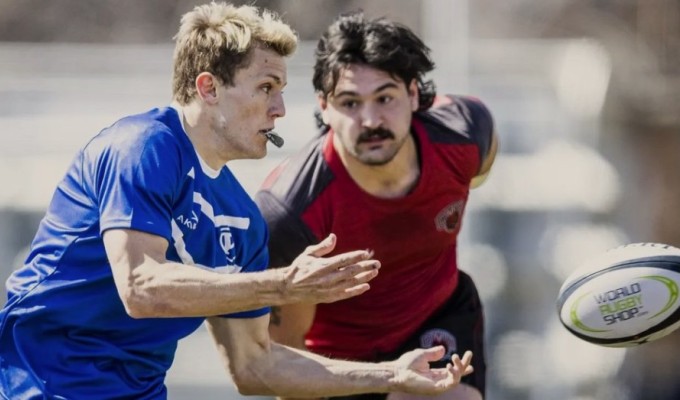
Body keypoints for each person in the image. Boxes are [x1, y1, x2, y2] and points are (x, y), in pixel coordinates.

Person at [0, 3, 475, 399]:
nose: (281, 109)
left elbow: (256, 367)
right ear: (208, 88)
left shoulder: (244, 219)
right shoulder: (143, 146)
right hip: (38, 383)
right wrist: (282, 284)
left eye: (283, 92)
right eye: (266, 88)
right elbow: (141, 288)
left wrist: (389, 373)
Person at [256, 10, 498, 400]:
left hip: (437, 320)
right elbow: (282, 357)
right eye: (350, 103)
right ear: (324, 107)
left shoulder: (466, 134)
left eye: (385, 97)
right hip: (341, 366)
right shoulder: (288, 215)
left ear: (414, 94)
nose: (370, 120)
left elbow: (478, 167)